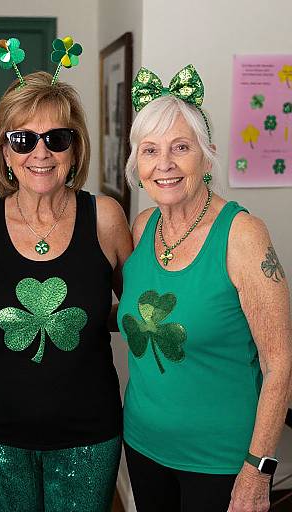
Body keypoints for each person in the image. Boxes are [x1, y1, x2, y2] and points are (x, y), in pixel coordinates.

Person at [118, 65, 292, 512]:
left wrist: (259, 468)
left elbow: (280, 361)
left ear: (207, 154)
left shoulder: (242, 235)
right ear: (136, 162)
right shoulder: (142, 228)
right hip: (142, 446)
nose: (165, 164)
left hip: (222, 463)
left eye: (181, 147)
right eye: (150, 150)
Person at [0, 69, 132, 511]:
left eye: (57, 138)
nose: (41, 152)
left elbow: (132, 312)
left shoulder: (106, 219)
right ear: (5, 152)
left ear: (75, 150)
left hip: (88, 435)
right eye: (23, 140)